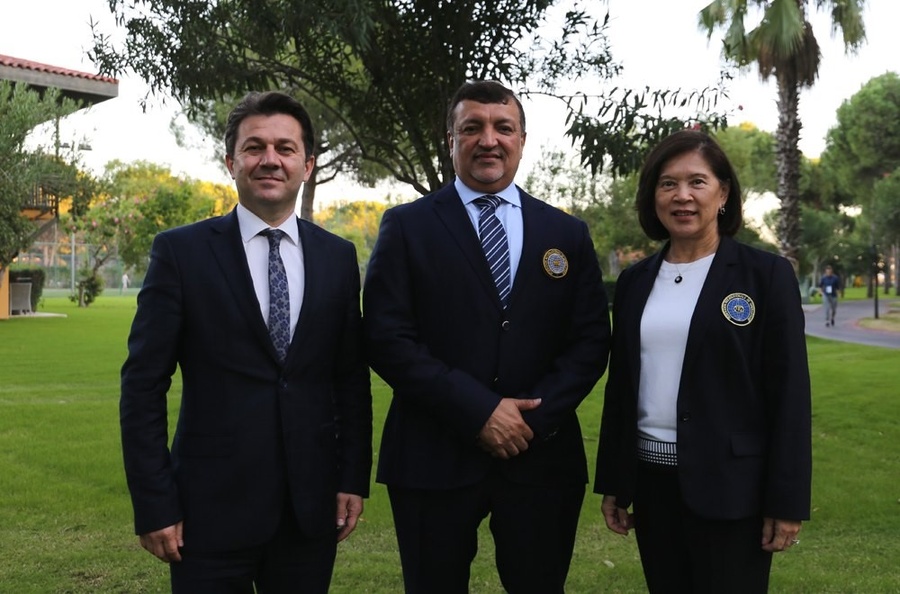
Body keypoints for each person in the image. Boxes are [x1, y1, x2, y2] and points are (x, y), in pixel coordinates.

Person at [363, 80, 611, 594]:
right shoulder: (407, 227)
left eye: (503, 127)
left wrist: (527, 421)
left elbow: (589, 343)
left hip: (540, 461)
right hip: (432, 458)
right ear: (450, 141)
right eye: (471, 128)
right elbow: (387, 337)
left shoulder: (567, 234)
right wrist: (478, 411)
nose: (488, 140)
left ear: (523, 139)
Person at [120, 91, 372, 593]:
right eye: (254, 147)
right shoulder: (180, 253)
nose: (270, 159)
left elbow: (349, 379)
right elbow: (143, 386)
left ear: (308, 164)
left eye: (285, 147)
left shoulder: (337, 258)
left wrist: (351, 478)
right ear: (231, 162)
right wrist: (154, 502)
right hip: (206, 513)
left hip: (309, 511)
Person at [594, 129, 812, 593]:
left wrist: (786, 500)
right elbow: (623, 386)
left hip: (733, 489)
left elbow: (789, 393)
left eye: (697, 181)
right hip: (653, 486)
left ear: (724, 193)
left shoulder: (765, 276)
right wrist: (615, 480)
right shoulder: (634, 282)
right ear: (653, 196)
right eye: (667, 183)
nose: (682, 196)